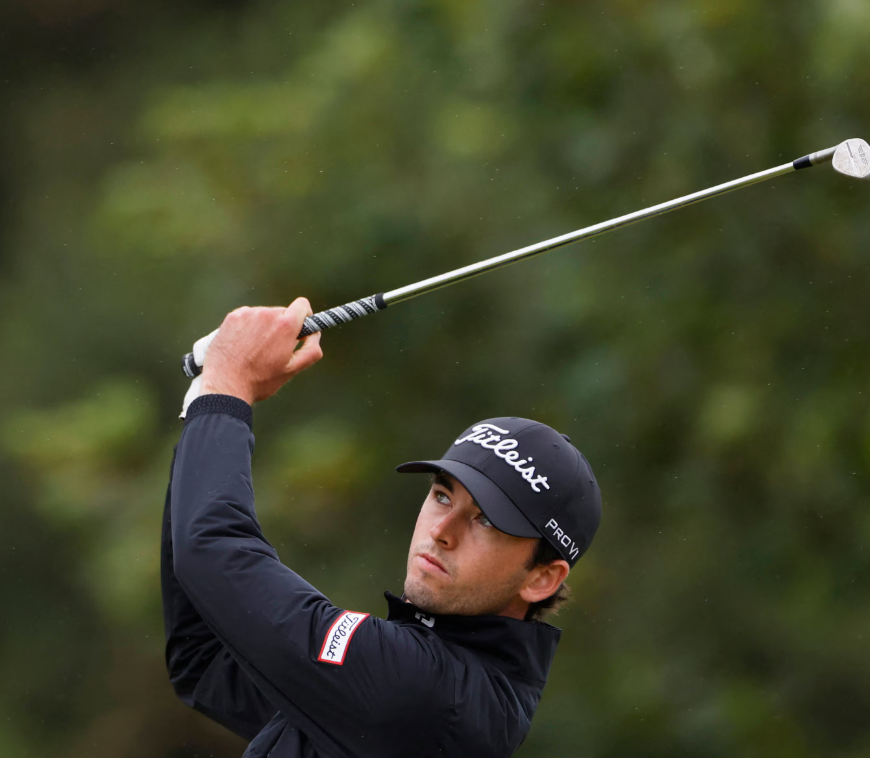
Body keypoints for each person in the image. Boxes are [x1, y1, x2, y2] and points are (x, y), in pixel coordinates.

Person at [162, 298, 603, 757]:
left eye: (487, 521)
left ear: (542, 578)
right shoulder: (424, 686)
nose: (443, 530)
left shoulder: (433, 698)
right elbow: (207, 661)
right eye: (442, 496)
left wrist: (227, 388)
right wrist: (208, 401)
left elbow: (212, 556)